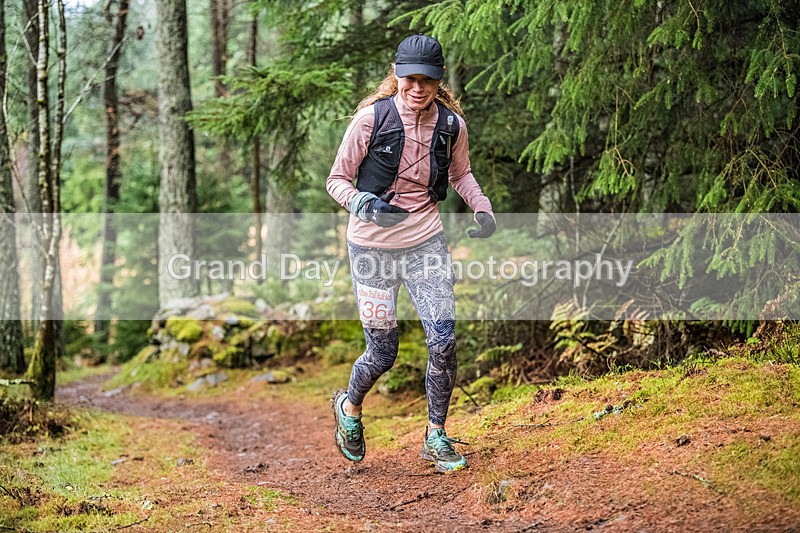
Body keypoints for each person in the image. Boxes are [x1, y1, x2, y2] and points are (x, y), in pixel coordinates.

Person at [326, 34, 496, 473]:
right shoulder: (370, 120)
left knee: (444, 341)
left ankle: (435, 435)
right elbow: (337, 180)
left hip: (426, 244)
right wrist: (364, 203)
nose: (418, 88)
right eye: (410, 79)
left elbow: (462, 174)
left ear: (439, 82)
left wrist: (482, 207)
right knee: (382, 354)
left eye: (428, 80)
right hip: (371, 249)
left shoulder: (452, 126)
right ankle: (349, 407)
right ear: (397, 76)